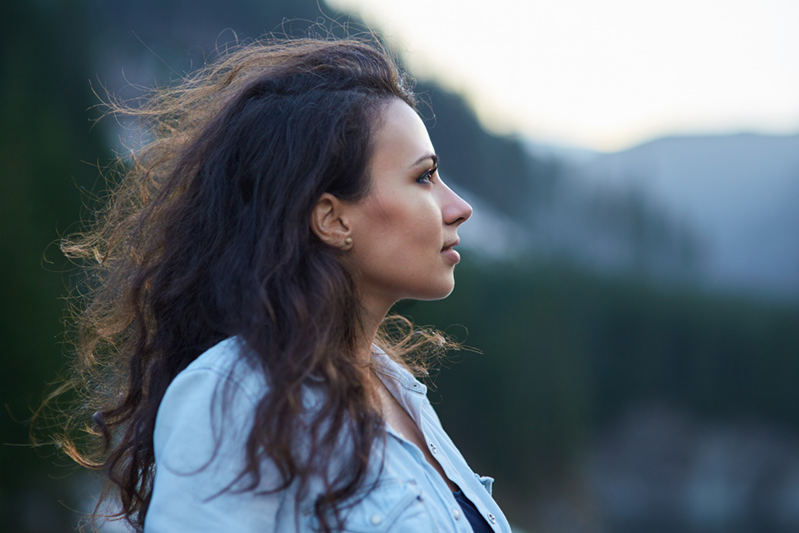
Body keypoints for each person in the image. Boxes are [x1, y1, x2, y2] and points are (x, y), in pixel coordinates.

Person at [56, 36, 511, 532]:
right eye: (425, 177)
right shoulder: (234, 394)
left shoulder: (397, 391)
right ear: (332, 219)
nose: (459, 207)